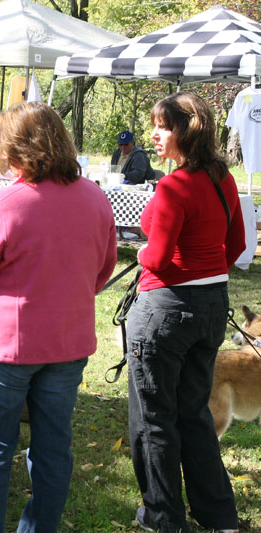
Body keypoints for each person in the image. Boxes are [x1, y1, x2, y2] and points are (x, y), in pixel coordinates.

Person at [0, 102, 117, 533]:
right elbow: (104, 268)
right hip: (68, 341)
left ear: (14, 149)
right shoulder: (96, 197)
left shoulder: (6, 202)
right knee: (53, 447)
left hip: (10, 346)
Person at [126, 92, 245, 533]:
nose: (154, 134)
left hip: (166, 311)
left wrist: (141, 255)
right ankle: (219, 516)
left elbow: (155, 258)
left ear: (186, 131)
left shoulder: (174, 186)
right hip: (212, 306)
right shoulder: (222, 179)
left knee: (154, 418)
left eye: (163, 126)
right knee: (194, 412)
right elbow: (234, 248)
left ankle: (163, 516)